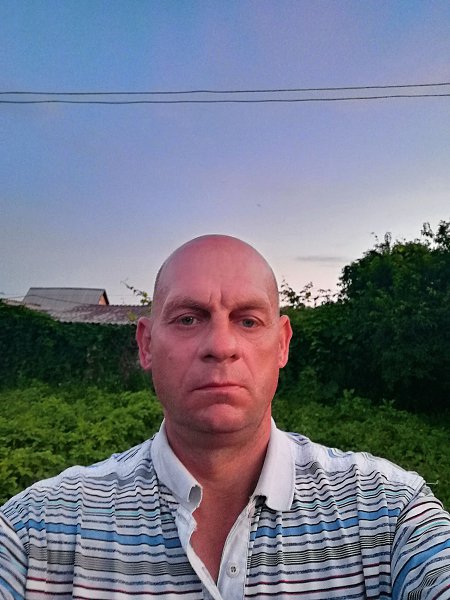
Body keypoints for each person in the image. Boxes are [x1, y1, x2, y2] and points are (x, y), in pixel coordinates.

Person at [1, 234, 449, 599]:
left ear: (282, 344)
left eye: (248, 321)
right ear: (146, 345)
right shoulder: (35, 532)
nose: (221, 345)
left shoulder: (388, 511)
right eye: (188, 319)